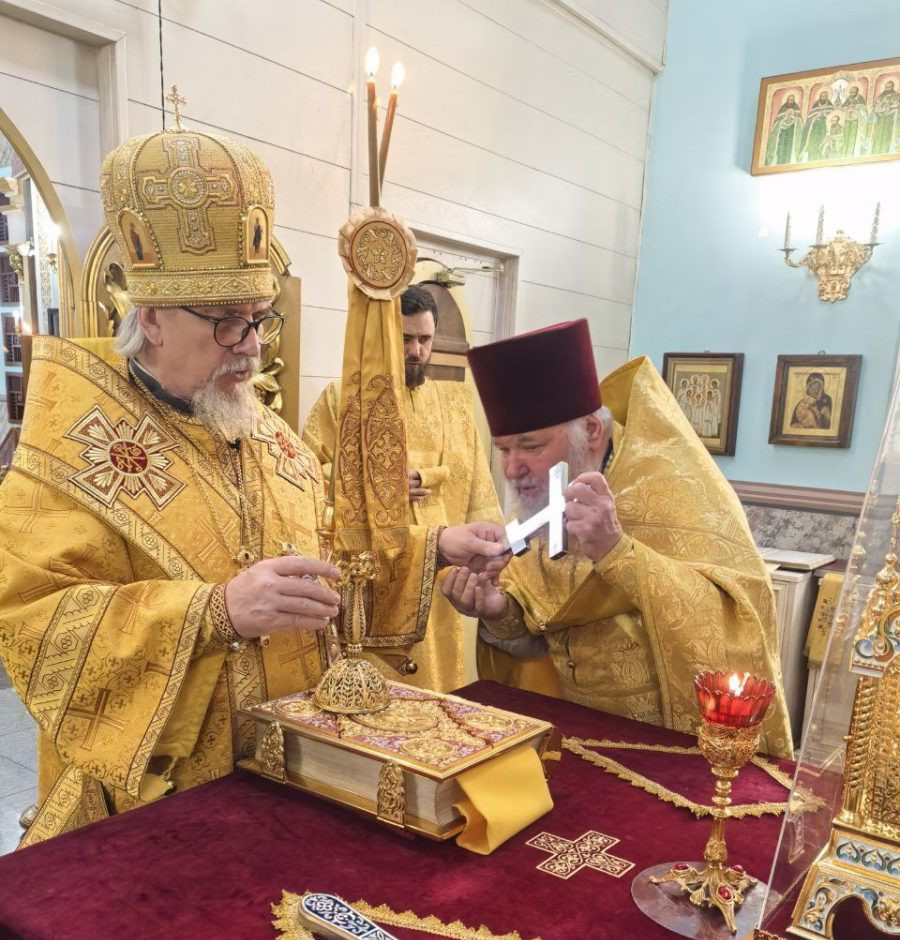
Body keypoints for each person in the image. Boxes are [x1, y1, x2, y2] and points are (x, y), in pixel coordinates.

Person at [0, 125, 507, 846]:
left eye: (260, 321)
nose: (253, 348)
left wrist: (437, 545)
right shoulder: (74, 446)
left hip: (290, 773)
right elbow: (34, 625)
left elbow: (332, 564)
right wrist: (215, 612)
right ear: (152, 317)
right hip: (157, 803)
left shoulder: (267, 435)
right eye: (228, 324)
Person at [441, 320, 793, 757]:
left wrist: (618, 552)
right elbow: (540, 619)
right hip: (568, 731)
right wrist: (497, 610)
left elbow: (736, 617)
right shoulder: (542, 493)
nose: (512, 468)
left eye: (530, 447)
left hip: (662, 743)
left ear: (591, 431)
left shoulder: (672, 483)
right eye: (503, 449)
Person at [303, 284, 502, 690]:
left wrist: (494, 554)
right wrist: (374, 484)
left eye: (425, 340)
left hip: (442, 582)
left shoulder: (456, 405)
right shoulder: (342, 398)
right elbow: (304, 479)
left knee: (439, 693)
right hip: (373, 581)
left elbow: (480, 490)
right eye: (406, 339)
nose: (416, 350)